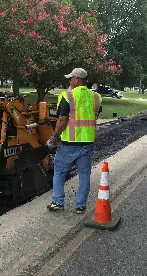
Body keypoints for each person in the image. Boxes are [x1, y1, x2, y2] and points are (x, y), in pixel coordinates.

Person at [46, 68, 102, 214]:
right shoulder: (96, 97)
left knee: (59, 172)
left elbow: (63, 120)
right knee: (84, 174)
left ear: (76, 79)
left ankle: (58, 202)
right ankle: (80, 206)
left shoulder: (67, 96)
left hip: (69, 143)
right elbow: (95, 115)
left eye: (70, 78)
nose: (69, 81)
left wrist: (54, 136)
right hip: (88, 142)